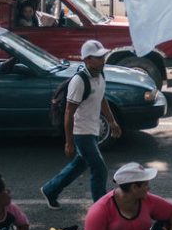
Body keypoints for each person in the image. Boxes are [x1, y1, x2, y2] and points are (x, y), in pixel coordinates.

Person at [40, 40, 121, 210]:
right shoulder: (79, 81)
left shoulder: (100, 74)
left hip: (93, 129)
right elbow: (69, 112)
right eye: (98, 57)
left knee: (79, 165)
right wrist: (69, 142)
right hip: (81, 133)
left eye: (103, 56)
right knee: (99, 169)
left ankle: (50, 190)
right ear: (87, 60)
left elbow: (102, 98)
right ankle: (101, 208)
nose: (102, 60)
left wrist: (112, 121)